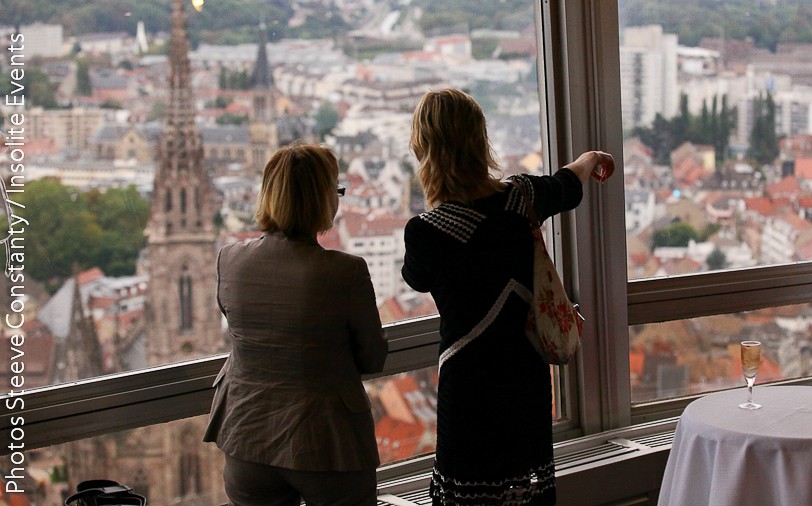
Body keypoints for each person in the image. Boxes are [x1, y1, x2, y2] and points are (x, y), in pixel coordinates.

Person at [401, 88, 615, 505]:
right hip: (525, 374)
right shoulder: (520, 198)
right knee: (525, 488)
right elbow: (565, 185)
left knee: (470, 493)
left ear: (425, 150)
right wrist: (592, 159)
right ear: (480, 141)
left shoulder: (425, 231)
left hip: (469, 383)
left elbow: (416, 279)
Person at [204, 142, 388, 506]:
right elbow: (372, 358)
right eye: (336, 190)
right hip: (328, 445)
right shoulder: (345, 271)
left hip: (247, 437)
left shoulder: (230, 260)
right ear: (322, 200)